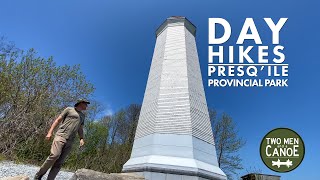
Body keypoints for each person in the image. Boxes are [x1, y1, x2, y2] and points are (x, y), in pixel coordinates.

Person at [34, 99, 90, 180]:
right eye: (86, 104)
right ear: (81, 103)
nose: (87, 106)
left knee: (59, 163)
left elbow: (80, 128)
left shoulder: (82, 116)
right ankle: (39, 175)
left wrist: (81, 138)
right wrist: (50, 132)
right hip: (61, 136)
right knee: (54, 155)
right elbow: (57, 120)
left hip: (70, 141)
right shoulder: (69, 109)